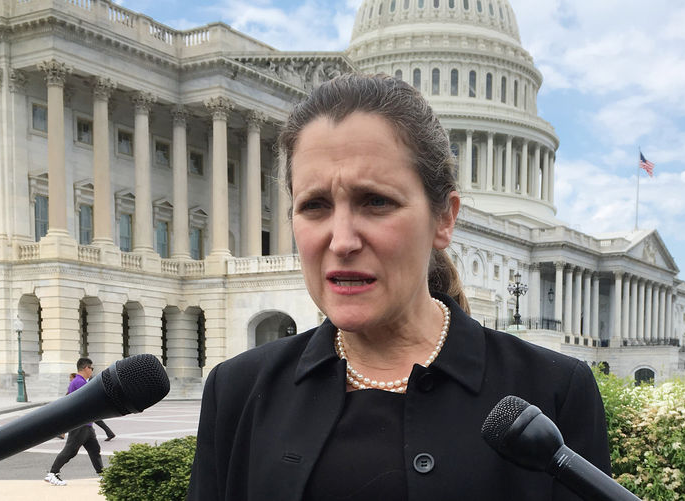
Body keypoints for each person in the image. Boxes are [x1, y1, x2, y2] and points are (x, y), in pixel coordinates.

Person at [186, 73, 611, 500]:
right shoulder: (238, 390)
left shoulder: (555, 390)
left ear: (444, 217)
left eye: (376, 202)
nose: (342, 240)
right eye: (314, 205)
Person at [44, 358, 104, 486]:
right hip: (80, 424)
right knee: (70, 451)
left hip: (86, 424)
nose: (92, 371)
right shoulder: (79, 382)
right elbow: (87, 401)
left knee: (94, 449)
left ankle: (102, 474)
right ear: (86, 368)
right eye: (91, 368)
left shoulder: (79, 381)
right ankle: (52, 473)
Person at [57, 373, 116, 441]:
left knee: (69, 420)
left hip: (86, 407)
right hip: (88, 407)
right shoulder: (76, 383)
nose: (70, 379)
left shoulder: (79, 382)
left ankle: (63, 434)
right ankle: (109, 433)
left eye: (71, 378)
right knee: (97, 421)